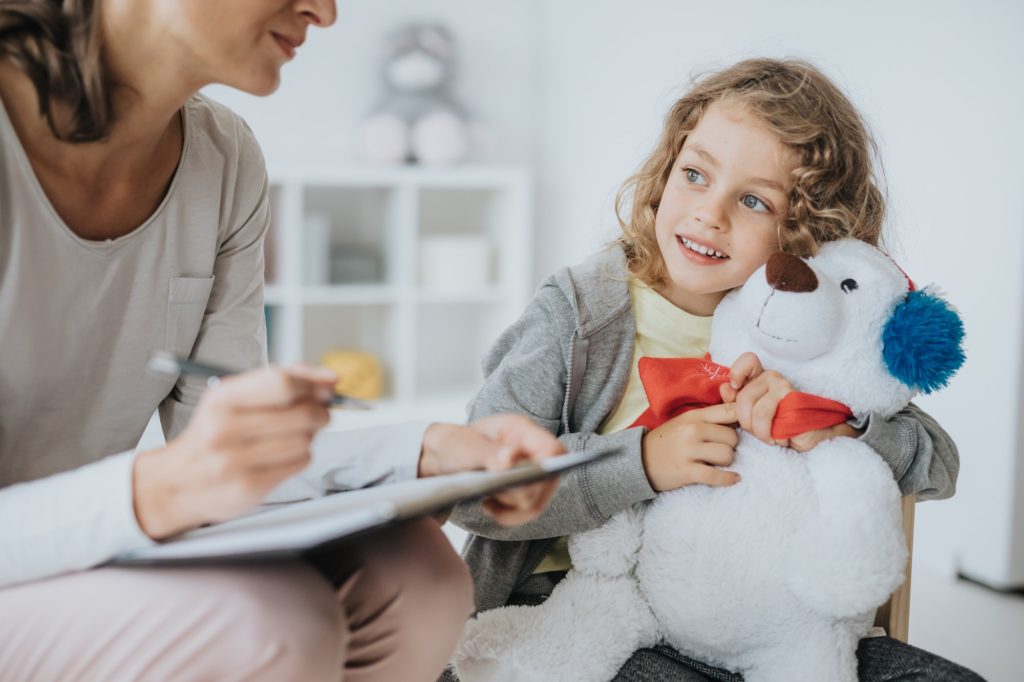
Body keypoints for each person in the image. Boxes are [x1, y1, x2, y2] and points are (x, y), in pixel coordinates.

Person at [0, 1, 561, 680]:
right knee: (271, 624)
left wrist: (428, 450)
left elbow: (224, 451)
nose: (323, 12)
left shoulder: (225, 158)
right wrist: (157, 492)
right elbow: (180, 480)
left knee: (418, 576)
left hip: (81, 539)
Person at [444, 59, 982, 680]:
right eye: (695, 174)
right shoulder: (579, 317)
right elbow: (474, 490)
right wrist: (641, 463)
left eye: (754, 199)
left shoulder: (806, 329)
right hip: (579, 616)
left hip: (776, 625)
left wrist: (844, 432)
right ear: (665, 171)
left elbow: (939, 464)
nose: (709, 213)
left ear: (809, 231)